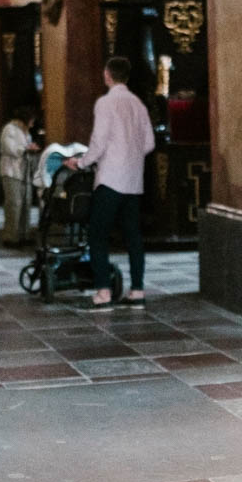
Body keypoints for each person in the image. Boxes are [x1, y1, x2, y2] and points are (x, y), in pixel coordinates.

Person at [64, 56, 155, 309]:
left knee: (98, 234)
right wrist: (130, 156)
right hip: (133, 181)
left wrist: (81, 163)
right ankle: (137, 291)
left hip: (110, 180)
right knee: (133, 236)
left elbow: (99, 141)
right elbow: (149, 143)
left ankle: (103, 291)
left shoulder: (105, 103)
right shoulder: (138, 104)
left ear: (107, 75)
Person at [0, 105, 39, 246]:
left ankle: (24, 234)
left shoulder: (26, 132)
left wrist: (31, 149)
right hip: (11, 172)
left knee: (26, 203)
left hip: (24, 172)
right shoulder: (10, 129)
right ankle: (11, 237)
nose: (33, 123)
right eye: (32, 120)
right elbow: (9, 148)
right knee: (14, 204)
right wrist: (26, 148)